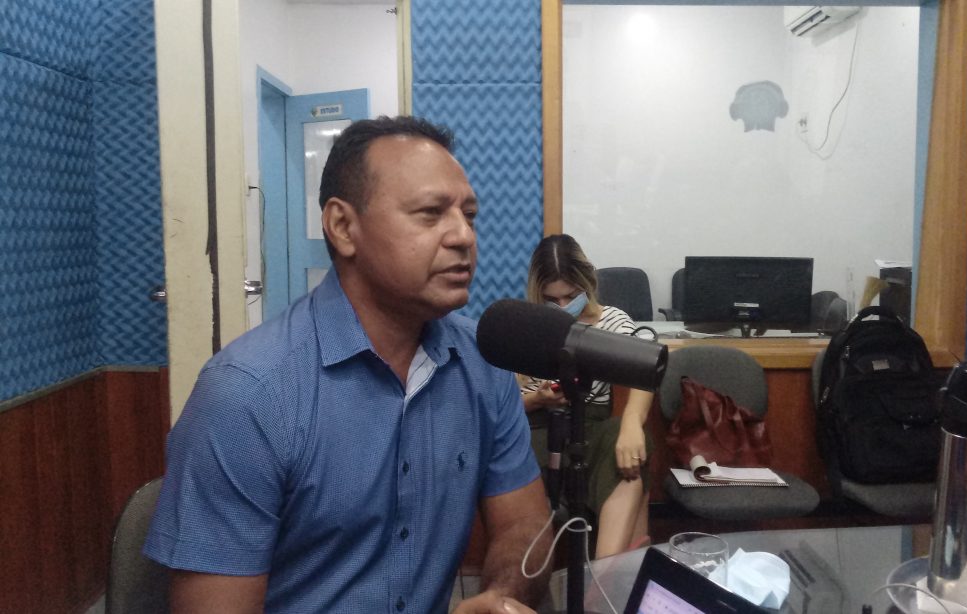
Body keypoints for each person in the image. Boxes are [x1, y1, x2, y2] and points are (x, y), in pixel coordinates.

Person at [143, 116, 552, 613]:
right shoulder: (247, 395)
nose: (464, 236)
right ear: (342, 227)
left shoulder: (484, 362)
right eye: (430, 213)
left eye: (470, 215)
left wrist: (501, 598)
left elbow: (525, 525)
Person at [519, 234, 653, 559]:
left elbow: (645, 365)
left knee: (629, 445)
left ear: (587, 285)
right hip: (536, 431)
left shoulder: (611, 321)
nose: (563, 306)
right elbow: (501, 403)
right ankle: (622, 570)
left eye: (571, 296)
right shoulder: (524, 325)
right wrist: (538, 400)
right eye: (552, 299)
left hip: (591, 433)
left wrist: (632, 423)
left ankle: (603, 574)